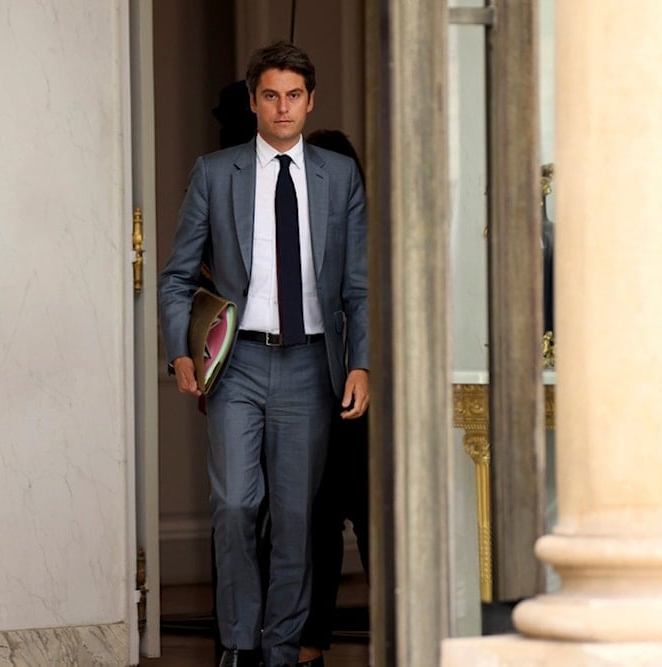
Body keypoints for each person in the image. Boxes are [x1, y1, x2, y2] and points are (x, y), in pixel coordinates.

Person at [159, 41, 370, 667]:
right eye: (271, 96)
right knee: (234, 505)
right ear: (254, 101)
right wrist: (180, 354)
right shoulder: (215, 172)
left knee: (297, 517)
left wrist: (360, 362)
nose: (283, 108)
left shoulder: (340, 176)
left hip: (311, 365)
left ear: (311, 101)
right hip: (238, 366)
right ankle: (238, 645)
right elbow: (174, 277)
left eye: (295, 96)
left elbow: (357, 286)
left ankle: (280, 648)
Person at [297, 130, 371, 667]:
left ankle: (310, 647)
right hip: (317, 399)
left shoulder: (370, 243)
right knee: (319, 527)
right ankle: (307, 647)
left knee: (355, 522)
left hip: (359, 404)